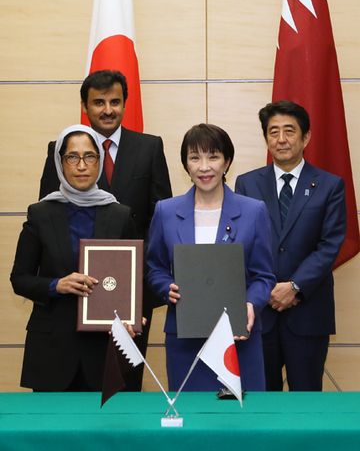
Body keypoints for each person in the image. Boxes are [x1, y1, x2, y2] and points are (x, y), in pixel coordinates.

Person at [38, 70, 172, 390]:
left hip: (131, 291)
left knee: (122, 385)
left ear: (125, 104)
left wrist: (139, 281)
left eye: (115, 101)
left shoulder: (149, 147)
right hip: (75, 290)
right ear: (85, 106)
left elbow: (161, 217)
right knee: (73, 383)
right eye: (99, 102)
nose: (108, 109)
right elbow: (47, 220)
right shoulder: (59, 150)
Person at [147, 123, 275, 392]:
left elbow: (263, 276)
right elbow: (155, 267)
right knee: (191, 422)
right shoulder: (166, 211)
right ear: (186, 165)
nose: (204, 167)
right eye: (195, 158)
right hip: (185, 339)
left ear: (227, 162)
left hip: (239, 340)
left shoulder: (253, 211)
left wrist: (252, 304)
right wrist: (164, 287)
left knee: (241, 423)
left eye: (213, 157)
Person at [11, 125, 137, 391]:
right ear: (60, 162)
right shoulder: (40, 213)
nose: (82, 165)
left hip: (104, 350)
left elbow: (133, 279)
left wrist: (132, 314)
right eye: (72, 157)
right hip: (52, 348)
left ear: (100, 161)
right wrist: (56, 285)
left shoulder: (120, 215)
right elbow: (19, 279)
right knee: (49, 431)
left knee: (105, 432)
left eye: (90, 156)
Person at [235, 100, 346, 391]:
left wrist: (294, 286)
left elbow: (330, 244)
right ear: (266, 138)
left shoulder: (330, 185)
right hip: (260, 311)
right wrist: (266, 289)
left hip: (308, 311)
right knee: (262, 400)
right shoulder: (247, 184)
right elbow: (242, 243)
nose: (281, 139)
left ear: (305, 137)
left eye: (289, 131)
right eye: (273, 132)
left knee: (306, 402)